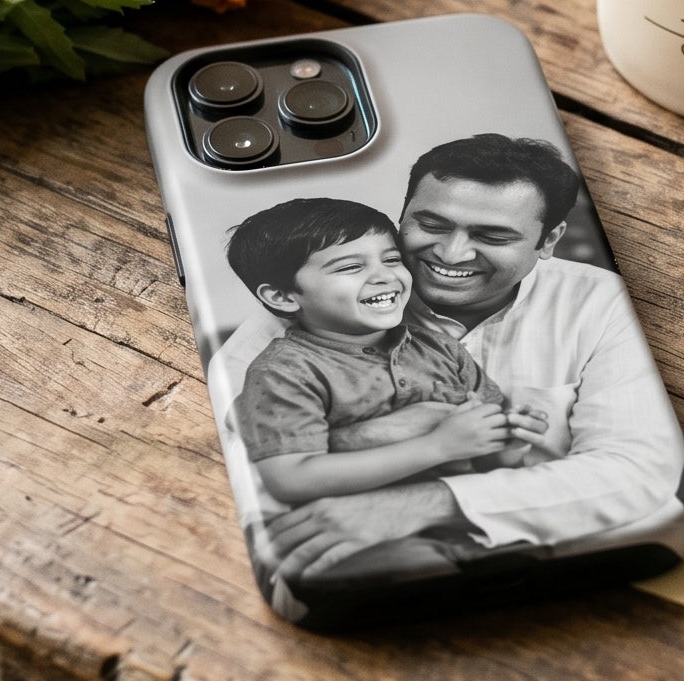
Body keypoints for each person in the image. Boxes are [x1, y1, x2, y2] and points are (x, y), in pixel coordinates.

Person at [215, 136, 684, 591]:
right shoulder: (313, 303)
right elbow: (238, 453)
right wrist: (409, 435)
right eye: (432, 225)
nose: (450, 254)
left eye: (493, 235)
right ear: (402, 216)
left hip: (569, 558)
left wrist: (430, 495)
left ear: (548, 241)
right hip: (352, 557)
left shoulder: (597, 302)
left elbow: (637, 473)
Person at [222, 197, 546, 510]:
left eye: (391, 260)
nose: (385, 276)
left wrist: (511, 438)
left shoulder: (441, 349)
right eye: (350, 267)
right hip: (356, 528)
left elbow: (489, 456)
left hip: (466, 511)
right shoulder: (284, 371)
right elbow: (290, 479)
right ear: (282, 297)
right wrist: (437, 446)